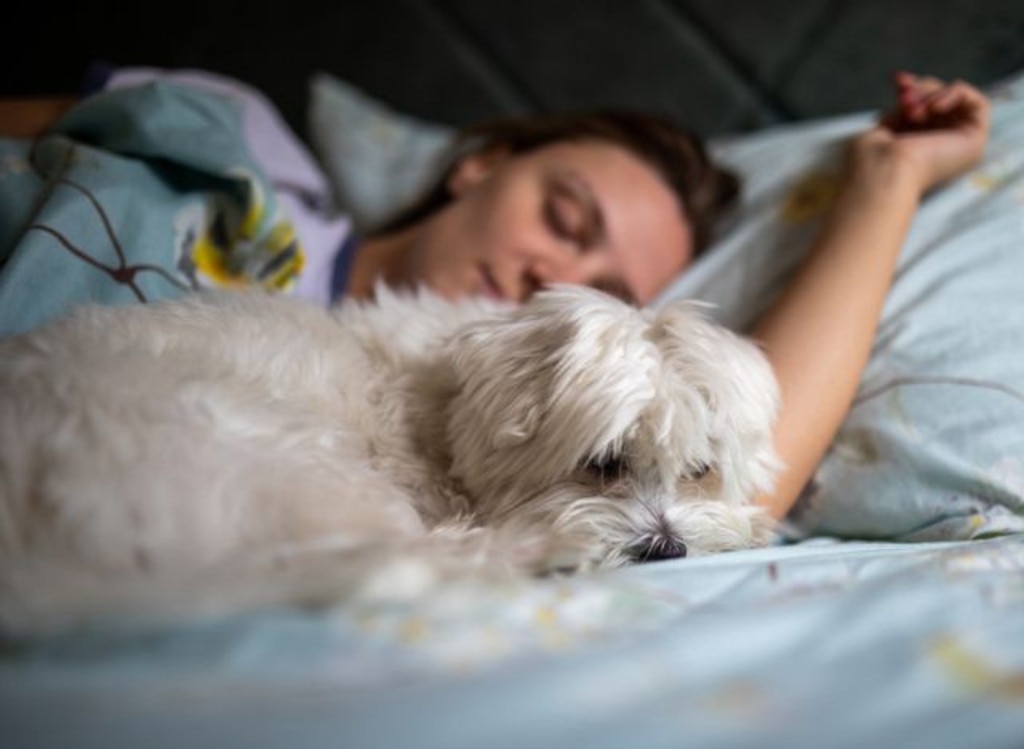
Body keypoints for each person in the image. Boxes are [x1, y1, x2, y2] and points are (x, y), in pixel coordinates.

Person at [0, 71, 992, 525]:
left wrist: (885, 181)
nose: (546, 278)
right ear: (481, 165)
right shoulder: (239, 136)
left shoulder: (470, 435)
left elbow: (726, 475)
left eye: (595, 289)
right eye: (563, 217)